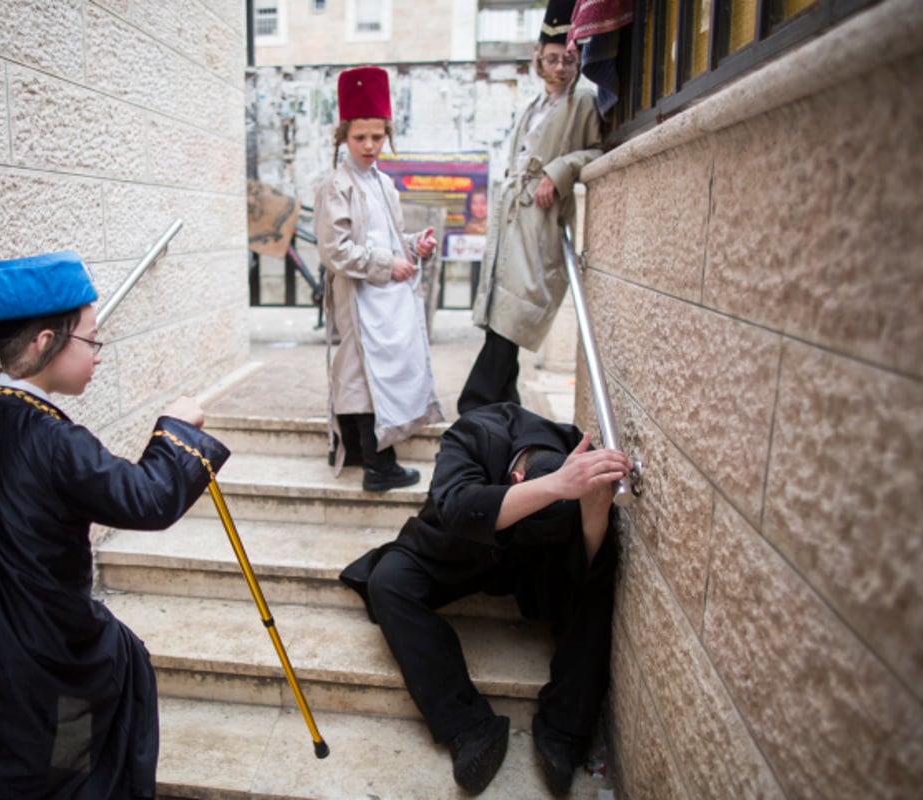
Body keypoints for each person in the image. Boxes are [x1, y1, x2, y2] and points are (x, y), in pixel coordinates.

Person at [0, 251, 229, 799]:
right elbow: (147, 500)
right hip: (40, 653)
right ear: (44, 341)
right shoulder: (53, 440)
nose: (98, 354)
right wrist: (175, 427)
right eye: (91, 340)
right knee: (97, 694)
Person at [340, 402, 630, 796]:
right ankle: (469, 727)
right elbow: (457, 508)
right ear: (516, 479)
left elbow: (588, 564)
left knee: (596, 587)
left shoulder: (571, 446)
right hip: (457, 548)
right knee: (388, 583)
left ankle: (563, 731)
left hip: (535, 564)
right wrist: (556, 486)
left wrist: (593, 510)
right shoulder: (473, 433)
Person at [459, 0, 603, 414]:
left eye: (569, 60)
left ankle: (475, 407)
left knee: (512, 318)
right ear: (538, 61)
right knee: (499, 319)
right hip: (511, 225)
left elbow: (597, 152)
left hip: (539, 226)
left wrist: (557, 171)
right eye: (553, 59)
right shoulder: (531, 109)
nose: (561, 68)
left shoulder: (585, 103)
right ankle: (504, 415)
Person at [314, 65, 444, 492]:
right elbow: (335, 251)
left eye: (377, 136)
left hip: (385, 299)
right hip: (358, 296)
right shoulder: (335, 185)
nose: (370, 145)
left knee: (368, 373)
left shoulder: (385, 184)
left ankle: (354, 449)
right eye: (360, 137)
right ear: (343, 138)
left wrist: (413, 245)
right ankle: (378, 465)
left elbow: (387, 237)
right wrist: (388, 263)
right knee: (364, 375)